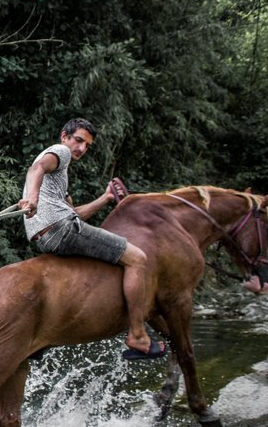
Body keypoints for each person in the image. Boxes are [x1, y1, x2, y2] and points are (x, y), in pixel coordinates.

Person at [18, 117, 166, 361]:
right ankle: (138, 335)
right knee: (137, 259)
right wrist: (32, 198)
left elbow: (75, 214)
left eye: (87, 145)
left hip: (47, 236)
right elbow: (37, 169)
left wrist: (106, 198)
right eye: (78, 140)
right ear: (64, 136)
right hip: (61, 230)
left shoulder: (59, 180)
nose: (81, 148)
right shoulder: (60, 152)